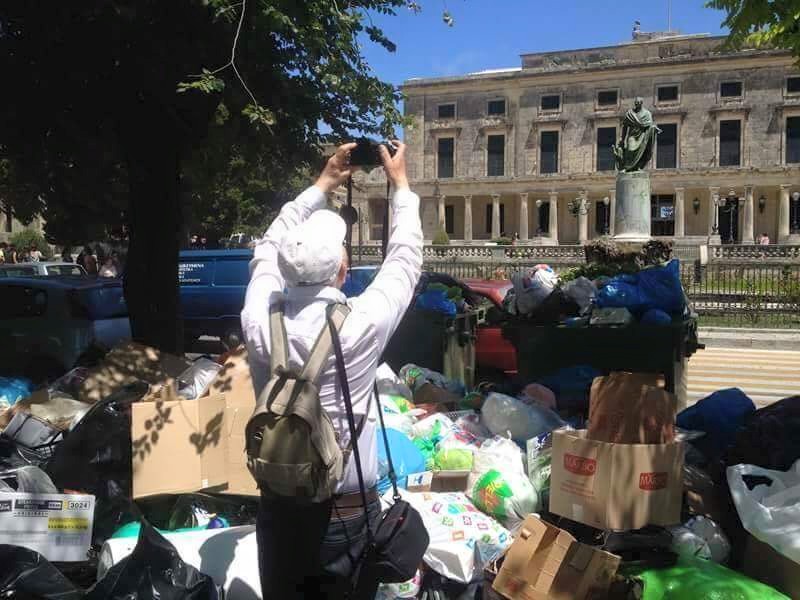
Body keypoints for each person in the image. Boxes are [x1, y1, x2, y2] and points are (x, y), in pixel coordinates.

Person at [241, 141, 422, 600]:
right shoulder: (361, 322)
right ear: (343, 267)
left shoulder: (259, 316)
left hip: (279, 506)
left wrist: (320, 185)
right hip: (345, 511)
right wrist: (399, 185)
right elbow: (404, 260)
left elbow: (266, 245)